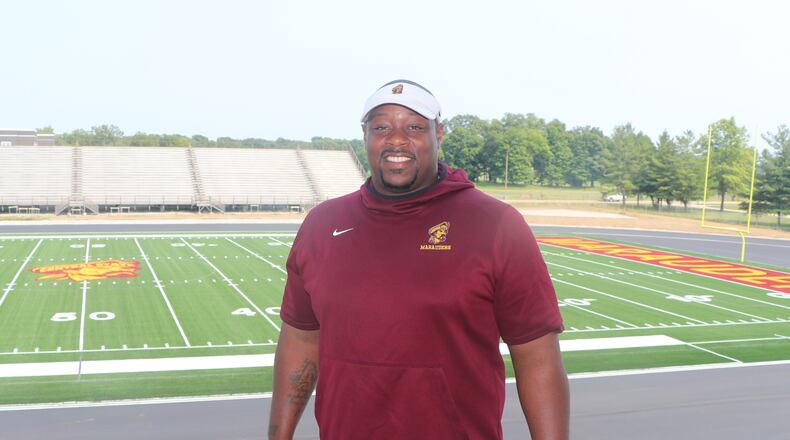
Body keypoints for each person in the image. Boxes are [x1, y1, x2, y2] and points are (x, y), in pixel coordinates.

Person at [268, 79, 569, 440]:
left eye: (414, 127)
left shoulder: (496, 225)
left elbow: (537, 357)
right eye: (382, 127)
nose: (396, 140)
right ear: (365, 135)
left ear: (438, 134)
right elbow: (301, 340)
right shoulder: (322, 224)